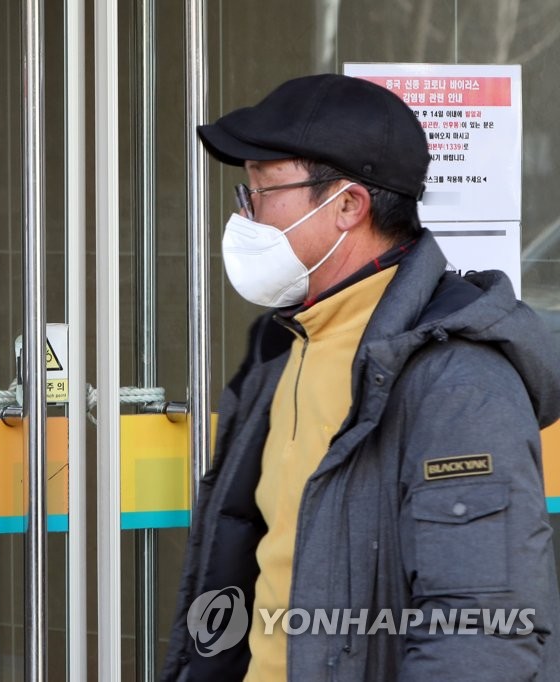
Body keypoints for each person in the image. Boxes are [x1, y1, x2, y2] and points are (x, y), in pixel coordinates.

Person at [162, 73, 560, 681]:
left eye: (263, 190)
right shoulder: (285, 346)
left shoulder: (458, 380)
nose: (245, 214)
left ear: (348, 205)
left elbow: (482, 634)